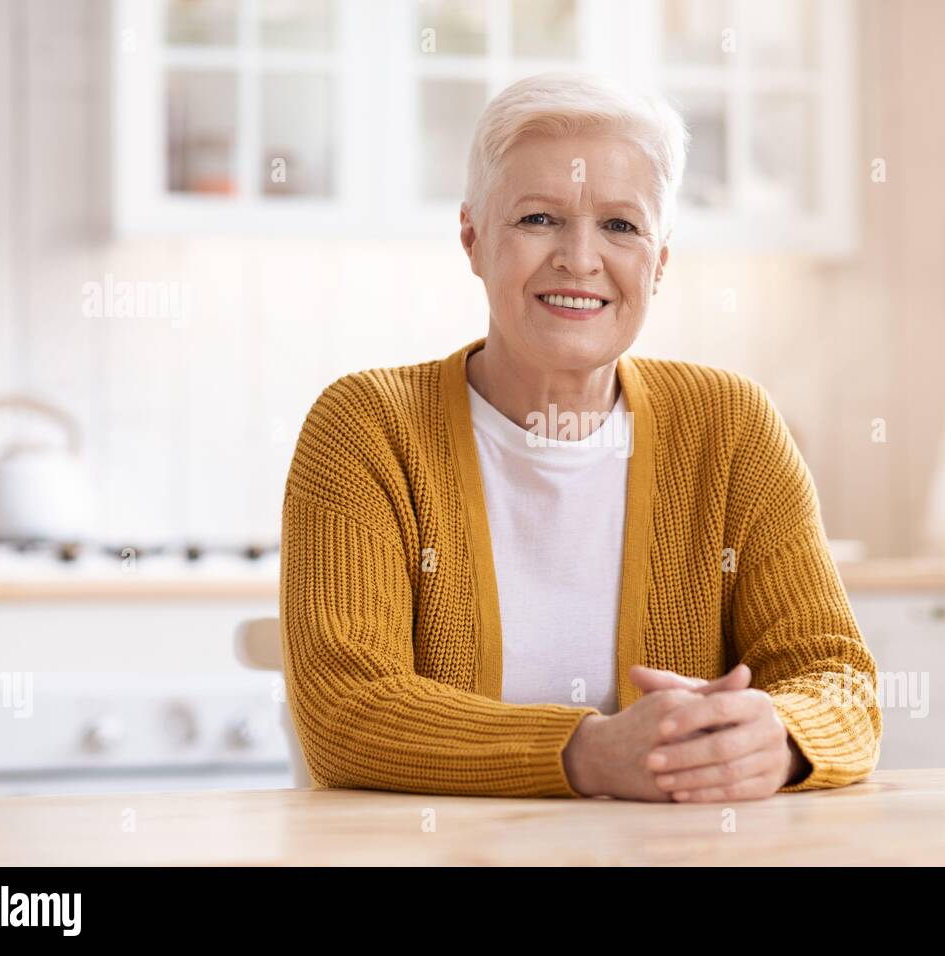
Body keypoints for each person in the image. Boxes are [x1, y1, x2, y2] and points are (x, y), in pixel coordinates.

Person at [280, 71, 881, 802]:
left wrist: (779, 739)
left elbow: (836, 678)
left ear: (658, 263)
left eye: (621, 226)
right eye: (538, 219)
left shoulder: (732, 425)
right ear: (472, 238)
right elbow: (347, 709)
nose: (580, 259)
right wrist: (587, 753)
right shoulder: (367, 427)